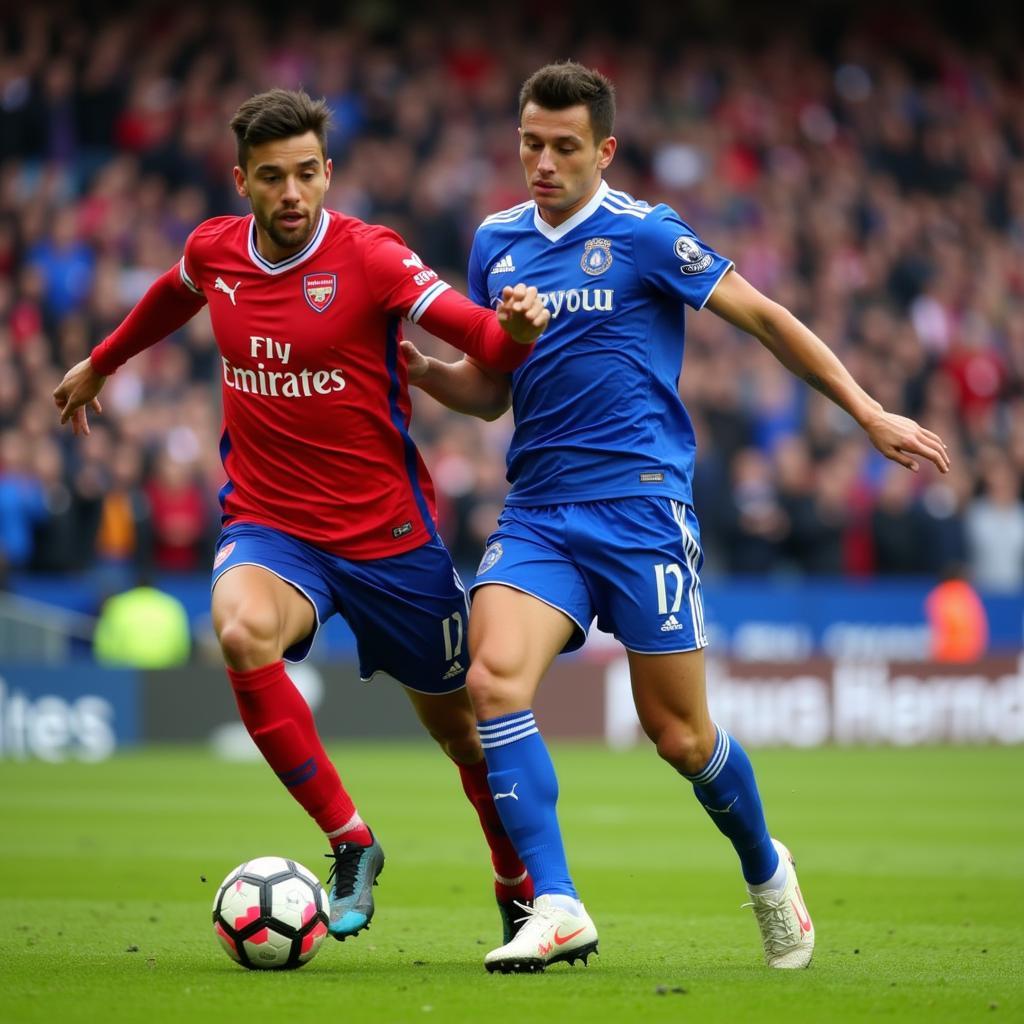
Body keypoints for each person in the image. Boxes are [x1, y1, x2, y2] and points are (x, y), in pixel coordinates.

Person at [405, 61, 951, 973]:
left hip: (642, 515)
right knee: (493, 681)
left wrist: (868, 412)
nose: (542, 162)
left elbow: (768, 319)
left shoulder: (646, 236)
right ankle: (557, 902)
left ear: (604, 151)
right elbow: (493, 392)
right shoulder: (495, 242)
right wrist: (432, 376)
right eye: (530, 144)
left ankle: (767, 868)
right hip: (540, 512)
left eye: (564, 147)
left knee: (679, 736)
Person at [53, 88, 551, 945]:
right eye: (273, 177)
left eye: (308, 174)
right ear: (242, 180)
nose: (292, 193)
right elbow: (175, 297)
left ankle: (515, 878)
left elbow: (482, 340)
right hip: (274, 525)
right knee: (241, 631)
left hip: (391, 539)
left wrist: (515, 329)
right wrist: (102, 363)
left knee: (462, 735)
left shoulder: (374, 258)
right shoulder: (215, 251)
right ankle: (351, 841)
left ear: (330, 175)